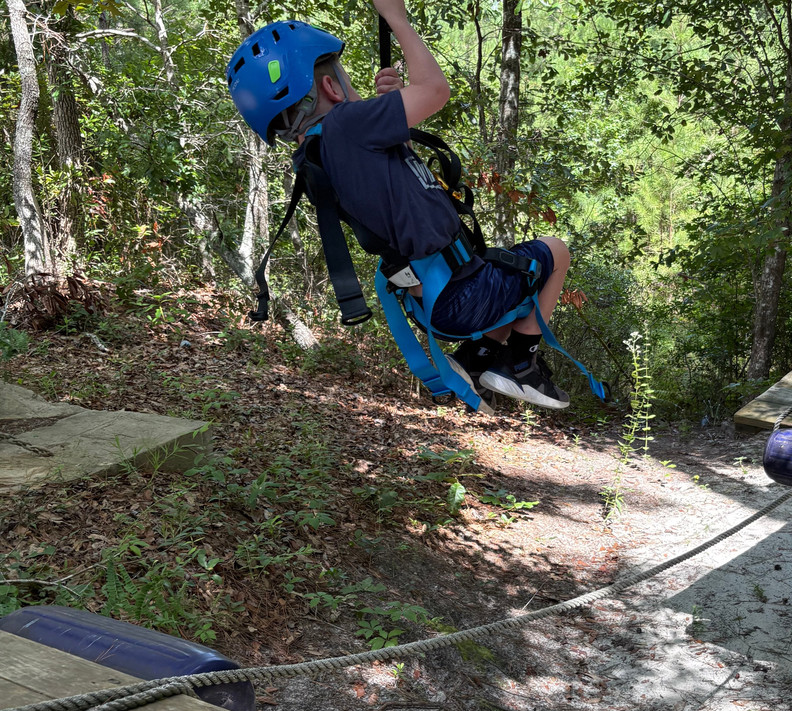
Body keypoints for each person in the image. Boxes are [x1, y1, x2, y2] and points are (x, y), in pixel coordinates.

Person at [226, 0, 573, 412]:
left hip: (435, 302)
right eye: (343, 78)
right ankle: (521, 363)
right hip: (463, 295)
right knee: (555, 251)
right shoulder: (347, 126)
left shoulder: (316, 154)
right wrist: (396, 18)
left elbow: (398, 173)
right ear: (331, 88)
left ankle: (479, 358)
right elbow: (435, 92)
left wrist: (387, 102)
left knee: (506, 266)